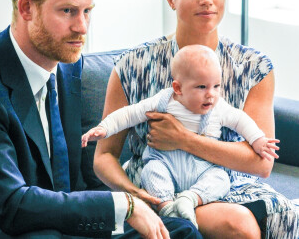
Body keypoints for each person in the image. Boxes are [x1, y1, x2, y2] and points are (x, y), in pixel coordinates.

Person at [0, 0, 202, 239]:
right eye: (67, 11)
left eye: (87, 11)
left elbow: (74, 184)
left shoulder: (67, 68)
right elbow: (12, 204)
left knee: (180, 232)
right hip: (23, 229)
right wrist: (123, 205)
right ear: (26, 7)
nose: (82, 27)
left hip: (70, 224)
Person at [93, 0, 299, 239]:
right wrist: (133, 196)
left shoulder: (253, 67)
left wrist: (184, 139)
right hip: (154, 182)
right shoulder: (132, 65)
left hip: (227, 183)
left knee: (268, 219)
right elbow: (104, 157)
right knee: (239, 226)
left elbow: (261, 163)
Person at [83, 45, 280, 228]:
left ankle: (190, 198)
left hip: (203, 166)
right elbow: (129, 113)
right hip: (165, 162)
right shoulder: (165, 100)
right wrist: (104, 128)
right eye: (201, 87)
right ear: (178, 88)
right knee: (151, 172)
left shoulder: (218, 108)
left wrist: (258, 140)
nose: (210, 94)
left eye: (216, 86)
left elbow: (241, 121)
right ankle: (166, 207)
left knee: (220, 178)